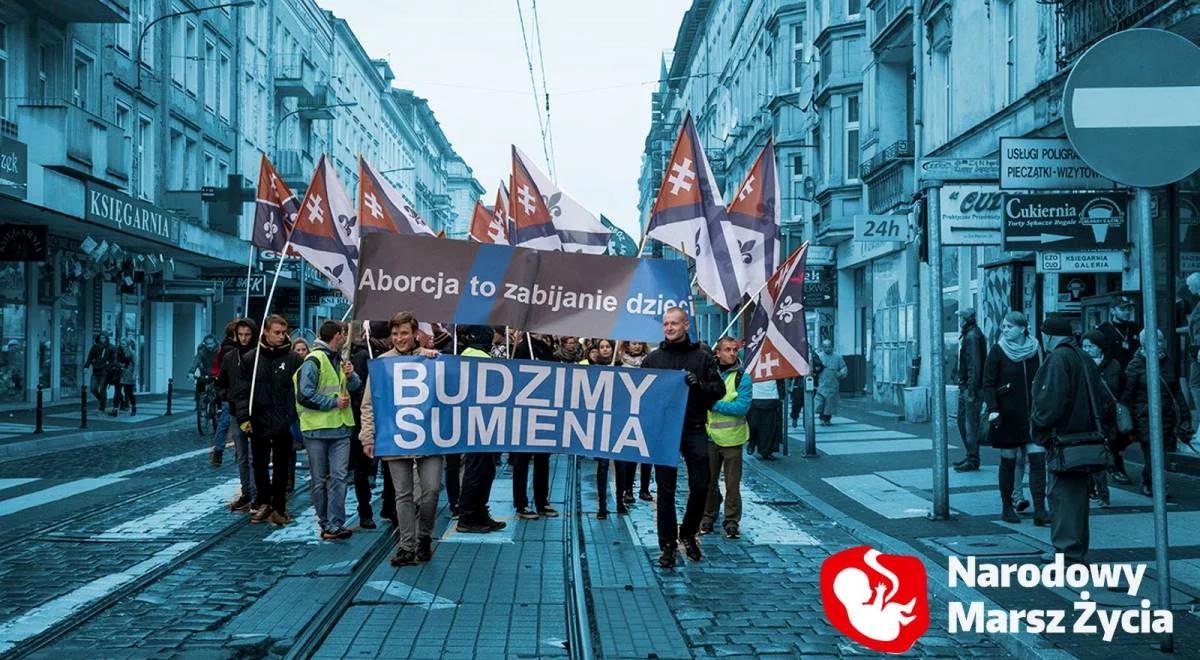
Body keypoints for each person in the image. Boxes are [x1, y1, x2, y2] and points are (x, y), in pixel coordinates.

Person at [641, 308, 724, 568]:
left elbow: (718, 389)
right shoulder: (653, 359)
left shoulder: (702, 357)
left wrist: (699, 384)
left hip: (693, 428)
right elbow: (640, 393)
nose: (669, 327)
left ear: (686, 325)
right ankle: (667, 545)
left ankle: (688, 533)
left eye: (674, 323)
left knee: (702, 484)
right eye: (665, 323)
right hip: (665, 431)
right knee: (665, 490)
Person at [360, 312, 444, 564]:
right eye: (395, 334)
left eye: (404, 333)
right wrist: (367, 437)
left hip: (428, 439)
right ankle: (407, 546)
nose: (399, 338)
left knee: (431, 490)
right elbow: (368, 404)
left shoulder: (429, 360)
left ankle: (425, 536)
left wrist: (435, 359)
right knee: (403, 494)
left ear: (415, 333)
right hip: (394, 437)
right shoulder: (382, 364)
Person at [1030, 317, 1114, 566]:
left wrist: (1038, 425)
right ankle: (1076, 552)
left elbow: (1050, 402)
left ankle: (1066, 554)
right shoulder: (1082, 357)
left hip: (1064, 439)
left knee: (1062, 496)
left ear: (1047, 336)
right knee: (1077, 497)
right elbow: (1102, 398)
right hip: (1085, 438)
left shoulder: (1058, 358)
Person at [234, 314, 304, 526]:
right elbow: (242, 391)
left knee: (282, 465)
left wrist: (294, 416)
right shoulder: (251, 360)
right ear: (265, 332)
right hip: (259, 419)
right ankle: (264, 501)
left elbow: (300, 388)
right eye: (277, 333)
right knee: (260, 463)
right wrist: (244, 417)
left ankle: (279, 506)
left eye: (283, 333)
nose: (281, 337)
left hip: (284, 420)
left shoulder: (293, 359)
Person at [294, 320, 361, 541]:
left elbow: (354, 387)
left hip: (340, 429)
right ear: (338, 335)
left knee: (339, 477)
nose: (346, 338)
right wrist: (333, 403)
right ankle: (325, 522)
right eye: (344, 334)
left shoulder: (340, 359)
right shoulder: (314, 360)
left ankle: (335, 524)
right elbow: (304, 395)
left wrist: (351, 375)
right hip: (317, 430)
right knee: (320, 479)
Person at [982, 312, 1043, 524]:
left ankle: (1040, 509)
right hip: (1007, 416)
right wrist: (993, 409)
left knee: (1038, 460)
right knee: (1008, 462)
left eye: (1009, 327)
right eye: (1004, 327)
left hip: (1033, 415)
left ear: (1022, 328)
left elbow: (1043, 378)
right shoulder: (998, 351)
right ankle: (1007, 507)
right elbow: (988, 383)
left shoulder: (1036, 349)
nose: (1005, 330)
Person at [1122, 328, 1192, 497]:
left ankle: (1148, 480)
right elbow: (1126, 395)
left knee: (1159, 452)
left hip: (1166, 415)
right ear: (1144, 344)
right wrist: (1128, 419)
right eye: (1156, 341)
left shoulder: (1168, 362)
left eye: (1161, 341)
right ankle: (1156, 485)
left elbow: (1175, 390)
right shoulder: (1136, 365)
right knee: (1153, 452)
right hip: (1145, 417)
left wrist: (1185, 414)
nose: (1160, 344)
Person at [455, 325, 508, 534]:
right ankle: (469, 516)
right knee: (478, 470)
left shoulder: (468, 355)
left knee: (484, 469)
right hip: (481, 423)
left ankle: (478, 512)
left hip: (480, 422)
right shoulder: (480, 358)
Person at [700, 336, 751, 539]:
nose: (732, 353)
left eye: (735, 349)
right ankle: (708, 517)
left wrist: (714, 404)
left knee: (732, 484)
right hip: (710, 437)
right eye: (727, 350)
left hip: (733, 439)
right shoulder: (708, 374)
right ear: (718, 353)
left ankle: (731, 521)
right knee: (709, 482)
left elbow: (741, 407)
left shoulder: (741, 377)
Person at [510, 331, 558, 520]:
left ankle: (541, 500)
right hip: (523, 413)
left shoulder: (544, 348)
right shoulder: (522, 348)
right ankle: (521, 503)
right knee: (521, 459)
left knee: (542, 459)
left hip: (543, 410)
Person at [349, 322, 390, 529]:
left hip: (379, 417)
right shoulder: (363, 355)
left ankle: (386, 506)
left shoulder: (386, 354)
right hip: (366, 418)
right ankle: (365, 510)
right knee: (364, 468)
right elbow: (359, 391)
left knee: (388, 465)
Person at [592, 339, 635, 518]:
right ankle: (602, 505)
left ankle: (619, 501)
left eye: (608, 346)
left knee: (621, 464)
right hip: (600, 422)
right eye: (602, 347)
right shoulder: (592, 369)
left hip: (619, 420)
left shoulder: (623, 367)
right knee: (602, 465)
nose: (605, 350)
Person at [216, 319, 256, 505]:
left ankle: (258, 492)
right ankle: (247, 491)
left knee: (255, 454)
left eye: (247, 334)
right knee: (241, 455)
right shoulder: (230, 357)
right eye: (240, 335)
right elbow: (221, 383)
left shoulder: (258, 355)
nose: (244, 338)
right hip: (235, 410)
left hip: (257, 411)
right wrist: (228, 395)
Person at [1082, 329, 1121, 507]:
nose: (1087, 349)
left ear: (1100, 348)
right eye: (1084, 346)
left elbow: (1122, 387)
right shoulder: (1081, 364)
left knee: (1100, 457)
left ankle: (1100, 493)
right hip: (1088, 417)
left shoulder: (1113, 365)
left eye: (1091, 346)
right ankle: (1097, 492)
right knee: (1093, 457)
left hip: (1107, 418)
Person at [620, 341, 655, 502]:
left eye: (640, 344)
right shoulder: (620, 364)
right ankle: (628, 489)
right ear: (627, 345)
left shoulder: (650, 363)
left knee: (646, 453)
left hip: (647, 412)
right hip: (628, 413)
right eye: (634, 343)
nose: (637, 346)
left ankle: (645, 488)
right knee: (631, 453)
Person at [955, 311, 988, 472]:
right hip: (967, 386)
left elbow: (974, 365)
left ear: (966, 319)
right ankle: (970, 455)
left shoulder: (972, 336)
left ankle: (973, 458)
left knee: (969, 424)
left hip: (970, 388)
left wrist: (971, 389)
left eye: (960, 317)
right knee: (963, 421)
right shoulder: (970, 334)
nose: (958, 320)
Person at [747, 361, 786, 460]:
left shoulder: (775, 359)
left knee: (768, 427)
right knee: (753, 425)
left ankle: (766, 451)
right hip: (754, 397)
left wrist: (781, 394)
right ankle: (752, 441)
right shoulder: (752, 358)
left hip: (771, 396)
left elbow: (781, 377)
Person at [1096, 296, 1140, 369]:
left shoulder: (1135, 328)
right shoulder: (1103, 330)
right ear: (1112, 311)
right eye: (1122, 309)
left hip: (1133, 371)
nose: (1127, 312)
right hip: (1114, 373)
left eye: (1128, 309)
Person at [814, 340, 847, 427]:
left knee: (830, 403)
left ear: (832, 347)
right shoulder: (819, 356)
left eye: (829, 347)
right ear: (823, 347)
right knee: (821, 402)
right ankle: (821, 418)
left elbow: (843, 367)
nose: (828, 349)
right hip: (821, 383)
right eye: (826, 347)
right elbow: (814, 368)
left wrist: (841, 373)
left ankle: (827, 419)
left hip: (833, 383)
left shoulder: (838, 357)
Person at [83, 332, 116, 414]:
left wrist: (108, 368)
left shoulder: (111, 347)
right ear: (98, 338)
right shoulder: (95, 347)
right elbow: (90, 357)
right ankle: (103, 400)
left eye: (104, 338)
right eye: (101, 337)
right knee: (93, 388)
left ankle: (102, 407)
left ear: (106, 338)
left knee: (102, 388)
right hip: (96, 370)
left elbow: (113, 360)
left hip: (105, 371)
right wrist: (86, 366)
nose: (102, 339)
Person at [190, 334, 220, 410]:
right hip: (205, 372)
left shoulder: (219, 351)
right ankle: (200, 404)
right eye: (207, 344)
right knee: (201, 384)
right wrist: (191, 372)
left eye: (211, 343)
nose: (209, 346)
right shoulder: (202, 351)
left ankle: (219, 408)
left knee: (220, 391)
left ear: (215, 343)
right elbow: (196, 360)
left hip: (218, 373)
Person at [111, 337, 137, 416]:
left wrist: (134, 374)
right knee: (117, 391)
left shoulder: (132, 353)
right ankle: (115, 409)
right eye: (121, 344)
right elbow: (115, 360)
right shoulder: (118, 351)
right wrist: (118, 365)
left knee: (129, 393)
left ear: (128, 345)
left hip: (129, 374)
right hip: (120, 373)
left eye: (123, 344)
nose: (122, 345)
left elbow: (135, 364)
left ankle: (133, 407)